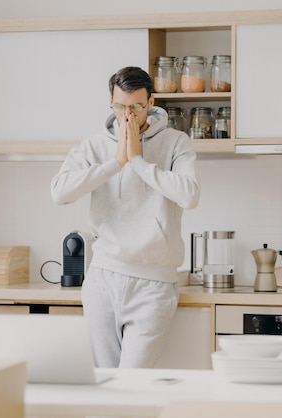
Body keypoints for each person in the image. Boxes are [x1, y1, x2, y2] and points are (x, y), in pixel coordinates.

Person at [50, 66, 200, 368]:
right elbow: (59, 192)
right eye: (120, 107)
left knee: (132, 384)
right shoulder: (94, 145)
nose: (127, 115)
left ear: (151, 103)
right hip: (102, 279)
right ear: (110, 102)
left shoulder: (175, 141)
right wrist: (116, 162)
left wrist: (138, 162)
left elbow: (190, 195)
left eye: (136, 107)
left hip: (154, 284)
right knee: (105, 382)